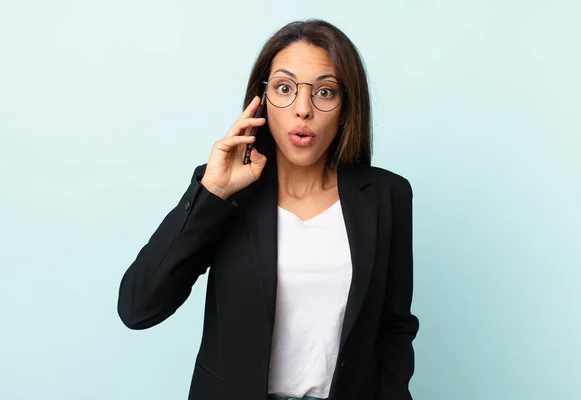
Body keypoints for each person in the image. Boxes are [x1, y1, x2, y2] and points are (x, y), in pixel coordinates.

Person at [117, 18, 419, 400]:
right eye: (284, 88)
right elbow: (137, 307)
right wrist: (212, 192)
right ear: (260, 101)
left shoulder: (386, 196)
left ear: (346, 107)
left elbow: (394, 329)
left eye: (324, 92)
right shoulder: (229, 192)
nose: (303, 110)